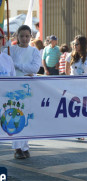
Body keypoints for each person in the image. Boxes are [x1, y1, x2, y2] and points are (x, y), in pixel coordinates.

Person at [4, 25, 41, 159]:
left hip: (29, 88)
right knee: (16, 115)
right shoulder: (11, 50)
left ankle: (25, 146)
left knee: (26, 117)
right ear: (17, 37)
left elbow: (35, 68)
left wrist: (18, 65)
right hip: (14, 88)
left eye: (27, 36)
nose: (24, 39)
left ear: (30, 37)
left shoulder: (34, 51)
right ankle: (17, 148)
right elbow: (8, 64)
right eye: (22, 36)